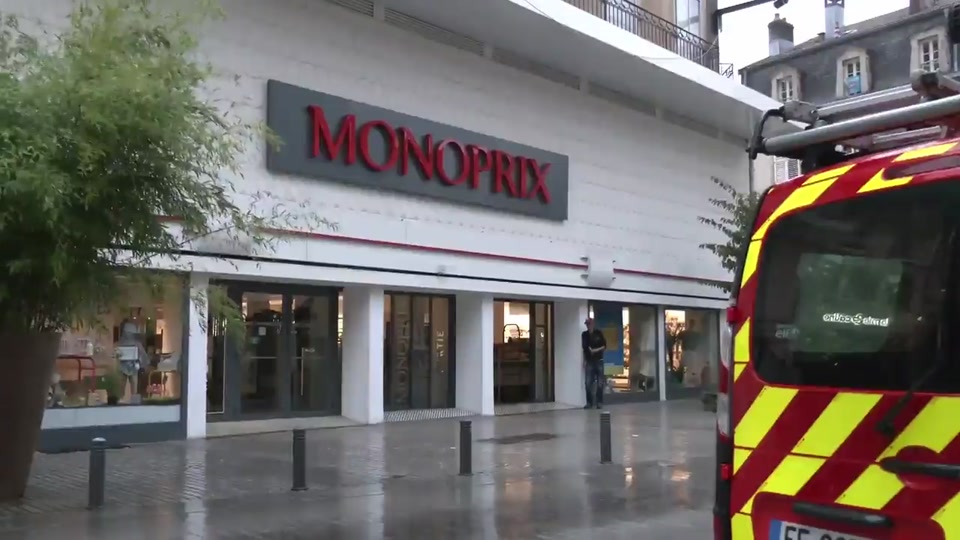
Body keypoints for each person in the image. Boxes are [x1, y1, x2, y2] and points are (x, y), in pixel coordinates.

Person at [581, 318, 607, 409]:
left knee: (600, 383)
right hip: (589, 361)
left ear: (593, 324)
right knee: (588, 383)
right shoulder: (584, 335)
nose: (588, 326)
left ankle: (599, 402)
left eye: (590, 324)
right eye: (587, 324)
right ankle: (589, 402)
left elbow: (604, 346)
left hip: (599, 360)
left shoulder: (598, 333)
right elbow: (584, 348)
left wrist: (595, 350)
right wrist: (584, 361)